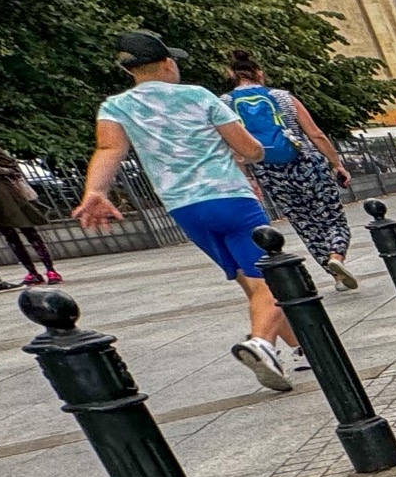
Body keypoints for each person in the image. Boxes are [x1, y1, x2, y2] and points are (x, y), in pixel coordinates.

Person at [79, 31, 302, 393]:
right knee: (270, 278)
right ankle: (261, 343)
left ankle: (299, 348)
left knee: (250, 281)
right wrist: (257, 152)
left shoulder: (116, 106)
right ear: (168, 63)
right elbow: (247, 146)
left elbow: (108, 148)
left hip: (184, 208)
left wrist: (96, 192)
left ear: (129, 71)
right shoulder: (199, 96)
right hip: (230, 198)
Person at [222, 50, 359, 290]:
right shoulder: (282, 97)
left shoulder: (225, 104)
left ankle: (335, 276)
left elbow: (233, 148)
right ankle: (336, 255)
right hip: (306, 163)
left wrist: (248, 180)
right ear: (260, 73)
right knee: (332, 217)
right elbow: (315, 133)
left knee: (304, 223)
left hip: (269, 170)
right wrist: (336, 163)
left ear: (230, 74)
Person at [0, 132, 52, 288]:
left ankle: (50, 270)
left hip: (5, 194)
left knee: (28, 231)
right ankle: (32, 272)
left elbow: (12, 169)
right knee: (10, 236)